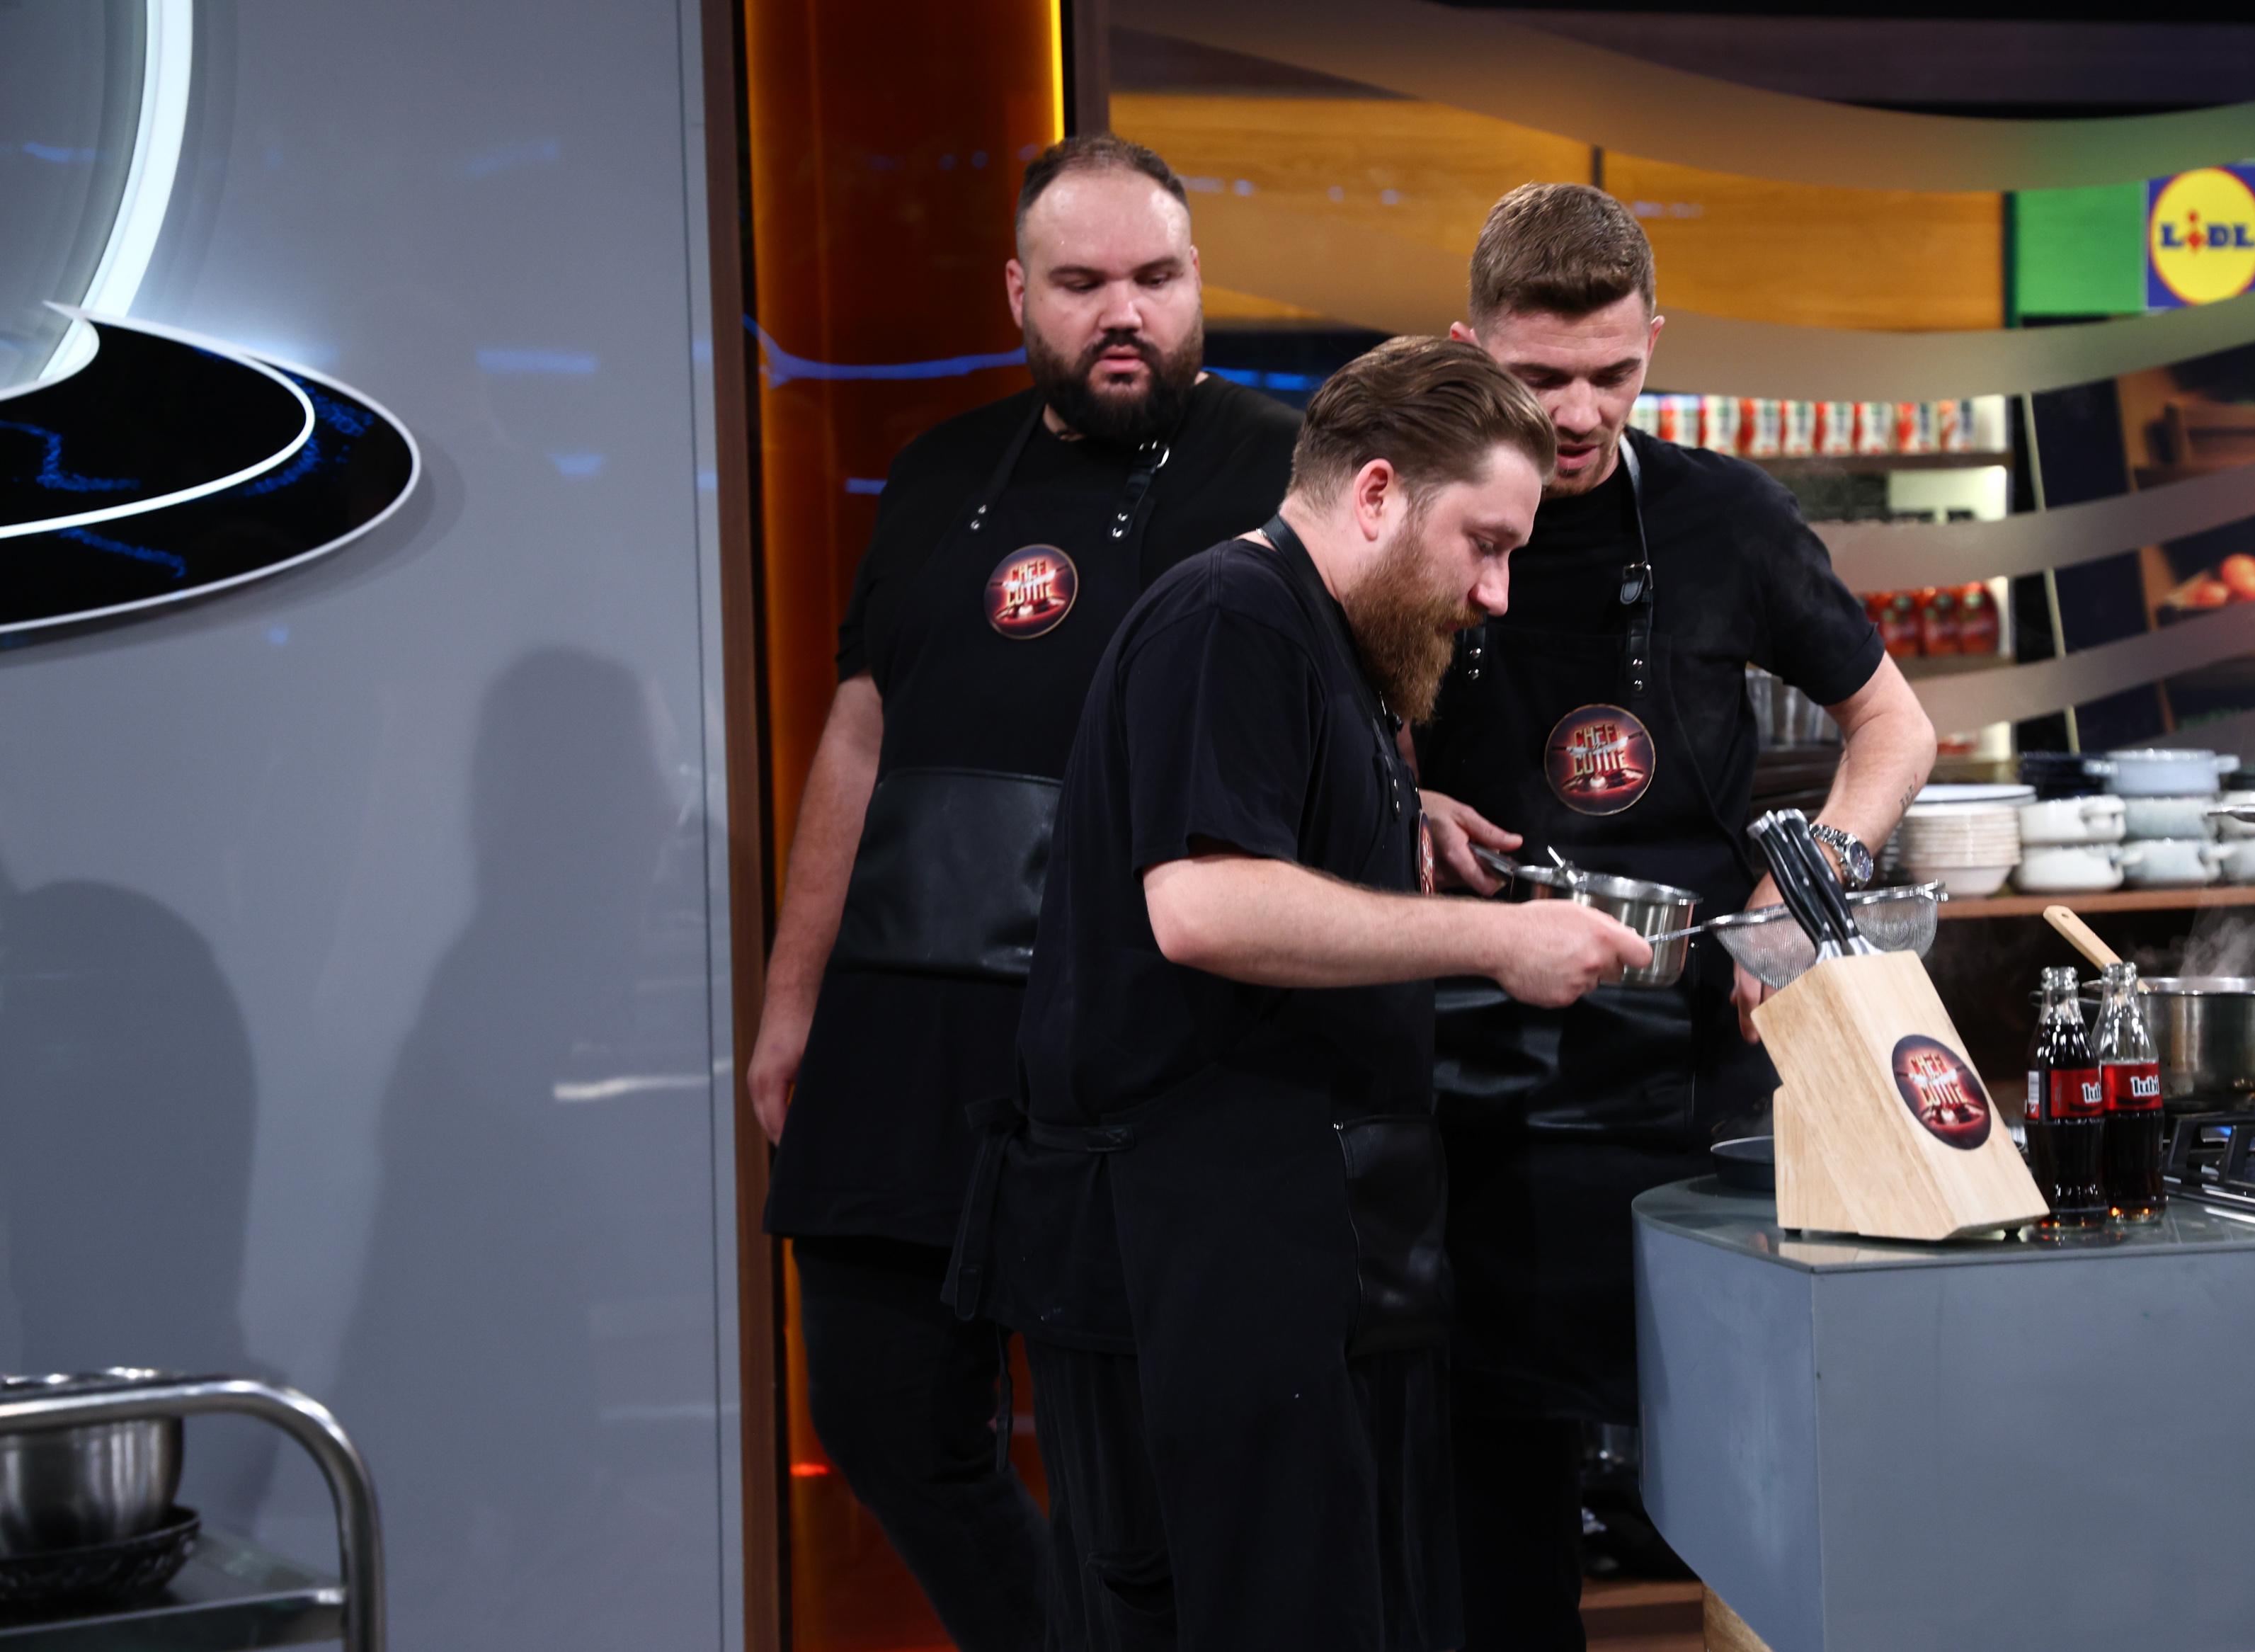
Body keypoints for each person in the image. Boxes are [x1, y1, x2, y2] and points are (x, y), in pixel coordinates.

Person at [949, 336, 1652, 1652]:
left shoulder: (1330, 646)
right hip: (1192, 1255)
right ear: (1377, 493)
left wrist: (1393, 812)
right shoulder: (1231, 616)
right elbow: (1204, 905)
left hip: (1297, 1248)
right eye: (1484, 544)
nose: (1496, 593)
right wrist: (1495, 943)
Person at [744, 135, 1301, 1652]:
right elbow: (861, 737)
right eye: (1081, 283)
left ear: (1197, 283)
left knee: (1140, 1471)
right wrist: (794, 1000)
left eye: (1156, 278)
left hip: (1133, 1035)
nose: (1124, 313)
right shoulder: (936, 473)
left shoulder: (1284, 475)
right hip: (899, 1023)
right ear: (1017, 294)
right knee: (881, 1421)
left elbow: (1343, 717)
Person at [1417, 183, 1939, 1650]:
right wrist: (1397, 795)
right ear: (1468, 347)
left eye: (1612, 373)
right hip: (1472, 1091)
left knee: (1749, 1473)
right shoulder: (1410, 516)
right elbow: (1316, 730)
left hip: (1700, 1071)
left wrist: (1808, 880)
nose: (1579, 415)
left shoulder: (1728, 517)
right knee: (1492, 1506)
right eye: (1539, 377)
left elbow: (1894, 728)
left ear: (1656, 337)